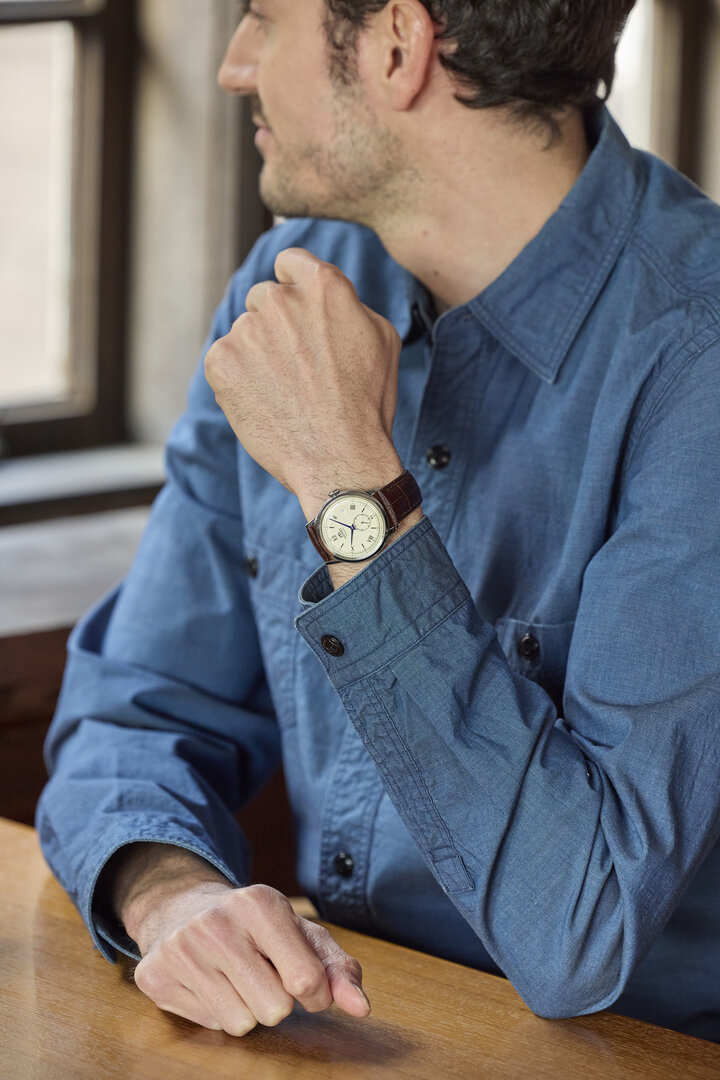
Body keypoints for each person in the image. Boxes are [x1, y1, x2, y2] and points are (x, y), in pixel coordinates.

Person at [37, 0, 720, 1043]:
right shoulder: (293, 289)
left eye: (263, 18)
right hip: (358, 1036)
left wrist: (349, 484)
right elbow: (141, 706)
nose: (232, 66)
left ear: (399, 46)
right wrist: (171, 893)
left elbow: (584, 932)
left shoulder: (696, 364)